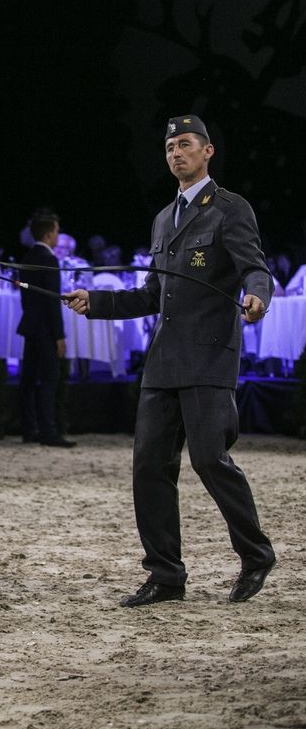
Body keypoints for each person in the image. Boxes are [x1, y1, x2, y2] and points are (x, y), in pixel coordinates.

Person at [65, 114, 275, 607]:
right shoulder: (164, 219)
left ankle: (256, 553)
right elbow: (151, 295)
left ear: (207, 152)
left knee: (209, 460)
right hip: (163, 364)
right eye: (169, 148)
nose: (175, 153)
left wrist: (256, 297)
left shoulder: (229, 209)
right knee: (149, 468)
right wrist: (95, 302)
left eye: (185, 145)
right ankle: (166, 575)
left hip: (207, 359)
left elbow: (254, 268)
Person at [16, 212, 73, 448]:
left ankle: (29, 428)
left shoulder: (27, 256)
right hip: (46, 329)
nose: (57, 235)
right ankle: (49, 431)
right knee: (49, 379)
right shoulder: (49, 260)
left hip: (30, 325)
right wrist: (59, 335)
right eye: (57, 231)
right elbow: (52, 301)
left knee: (28, 379)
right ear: (49, 234)